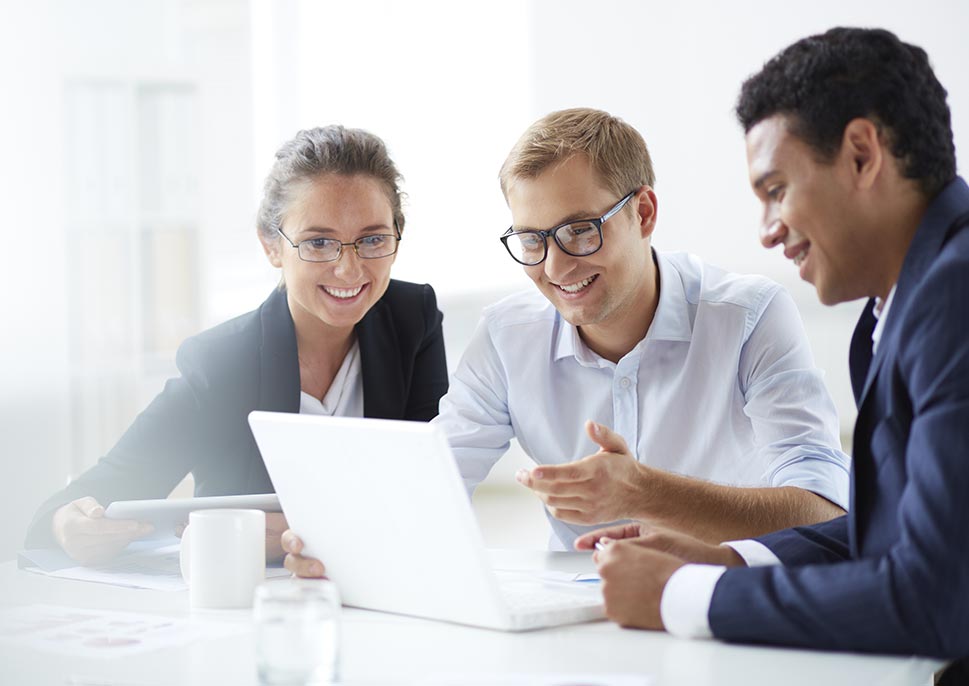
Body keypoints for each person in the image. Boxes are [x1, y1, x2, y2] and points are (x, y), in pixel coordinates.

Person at [280, 108, 850, 574]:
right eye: (532, 239)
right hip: (580, 617)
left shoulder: (749, 318)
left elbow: (825, 512)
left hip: (728, 608)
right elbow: (431, 482)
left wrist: (647, 493)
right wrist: (329, 545)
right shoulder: (508, 337)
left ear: (644, 213)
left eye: (580, 230)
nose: (555, 266)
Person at [581, 27, 969, 678]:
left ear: (860, 154)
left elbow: (937, 595)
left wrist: (678, 596)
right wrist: (729, 559)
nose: (765, 233)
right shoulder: (906, 301)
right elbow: (907, 530)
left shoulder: (952, 298)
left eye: (775, 190)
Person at [25, 125, 449, 565]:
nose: (348, 268)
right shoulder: (223, 364)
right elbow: (95, 494)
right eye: (318, 242)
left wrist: (308, 530)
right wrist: (67, 524)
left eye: (372, 239)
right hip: (248, 607)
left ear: (397, 237)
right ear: (271, 246)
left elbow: (432, 491)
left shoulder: (411, 318)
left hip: (380, 593)